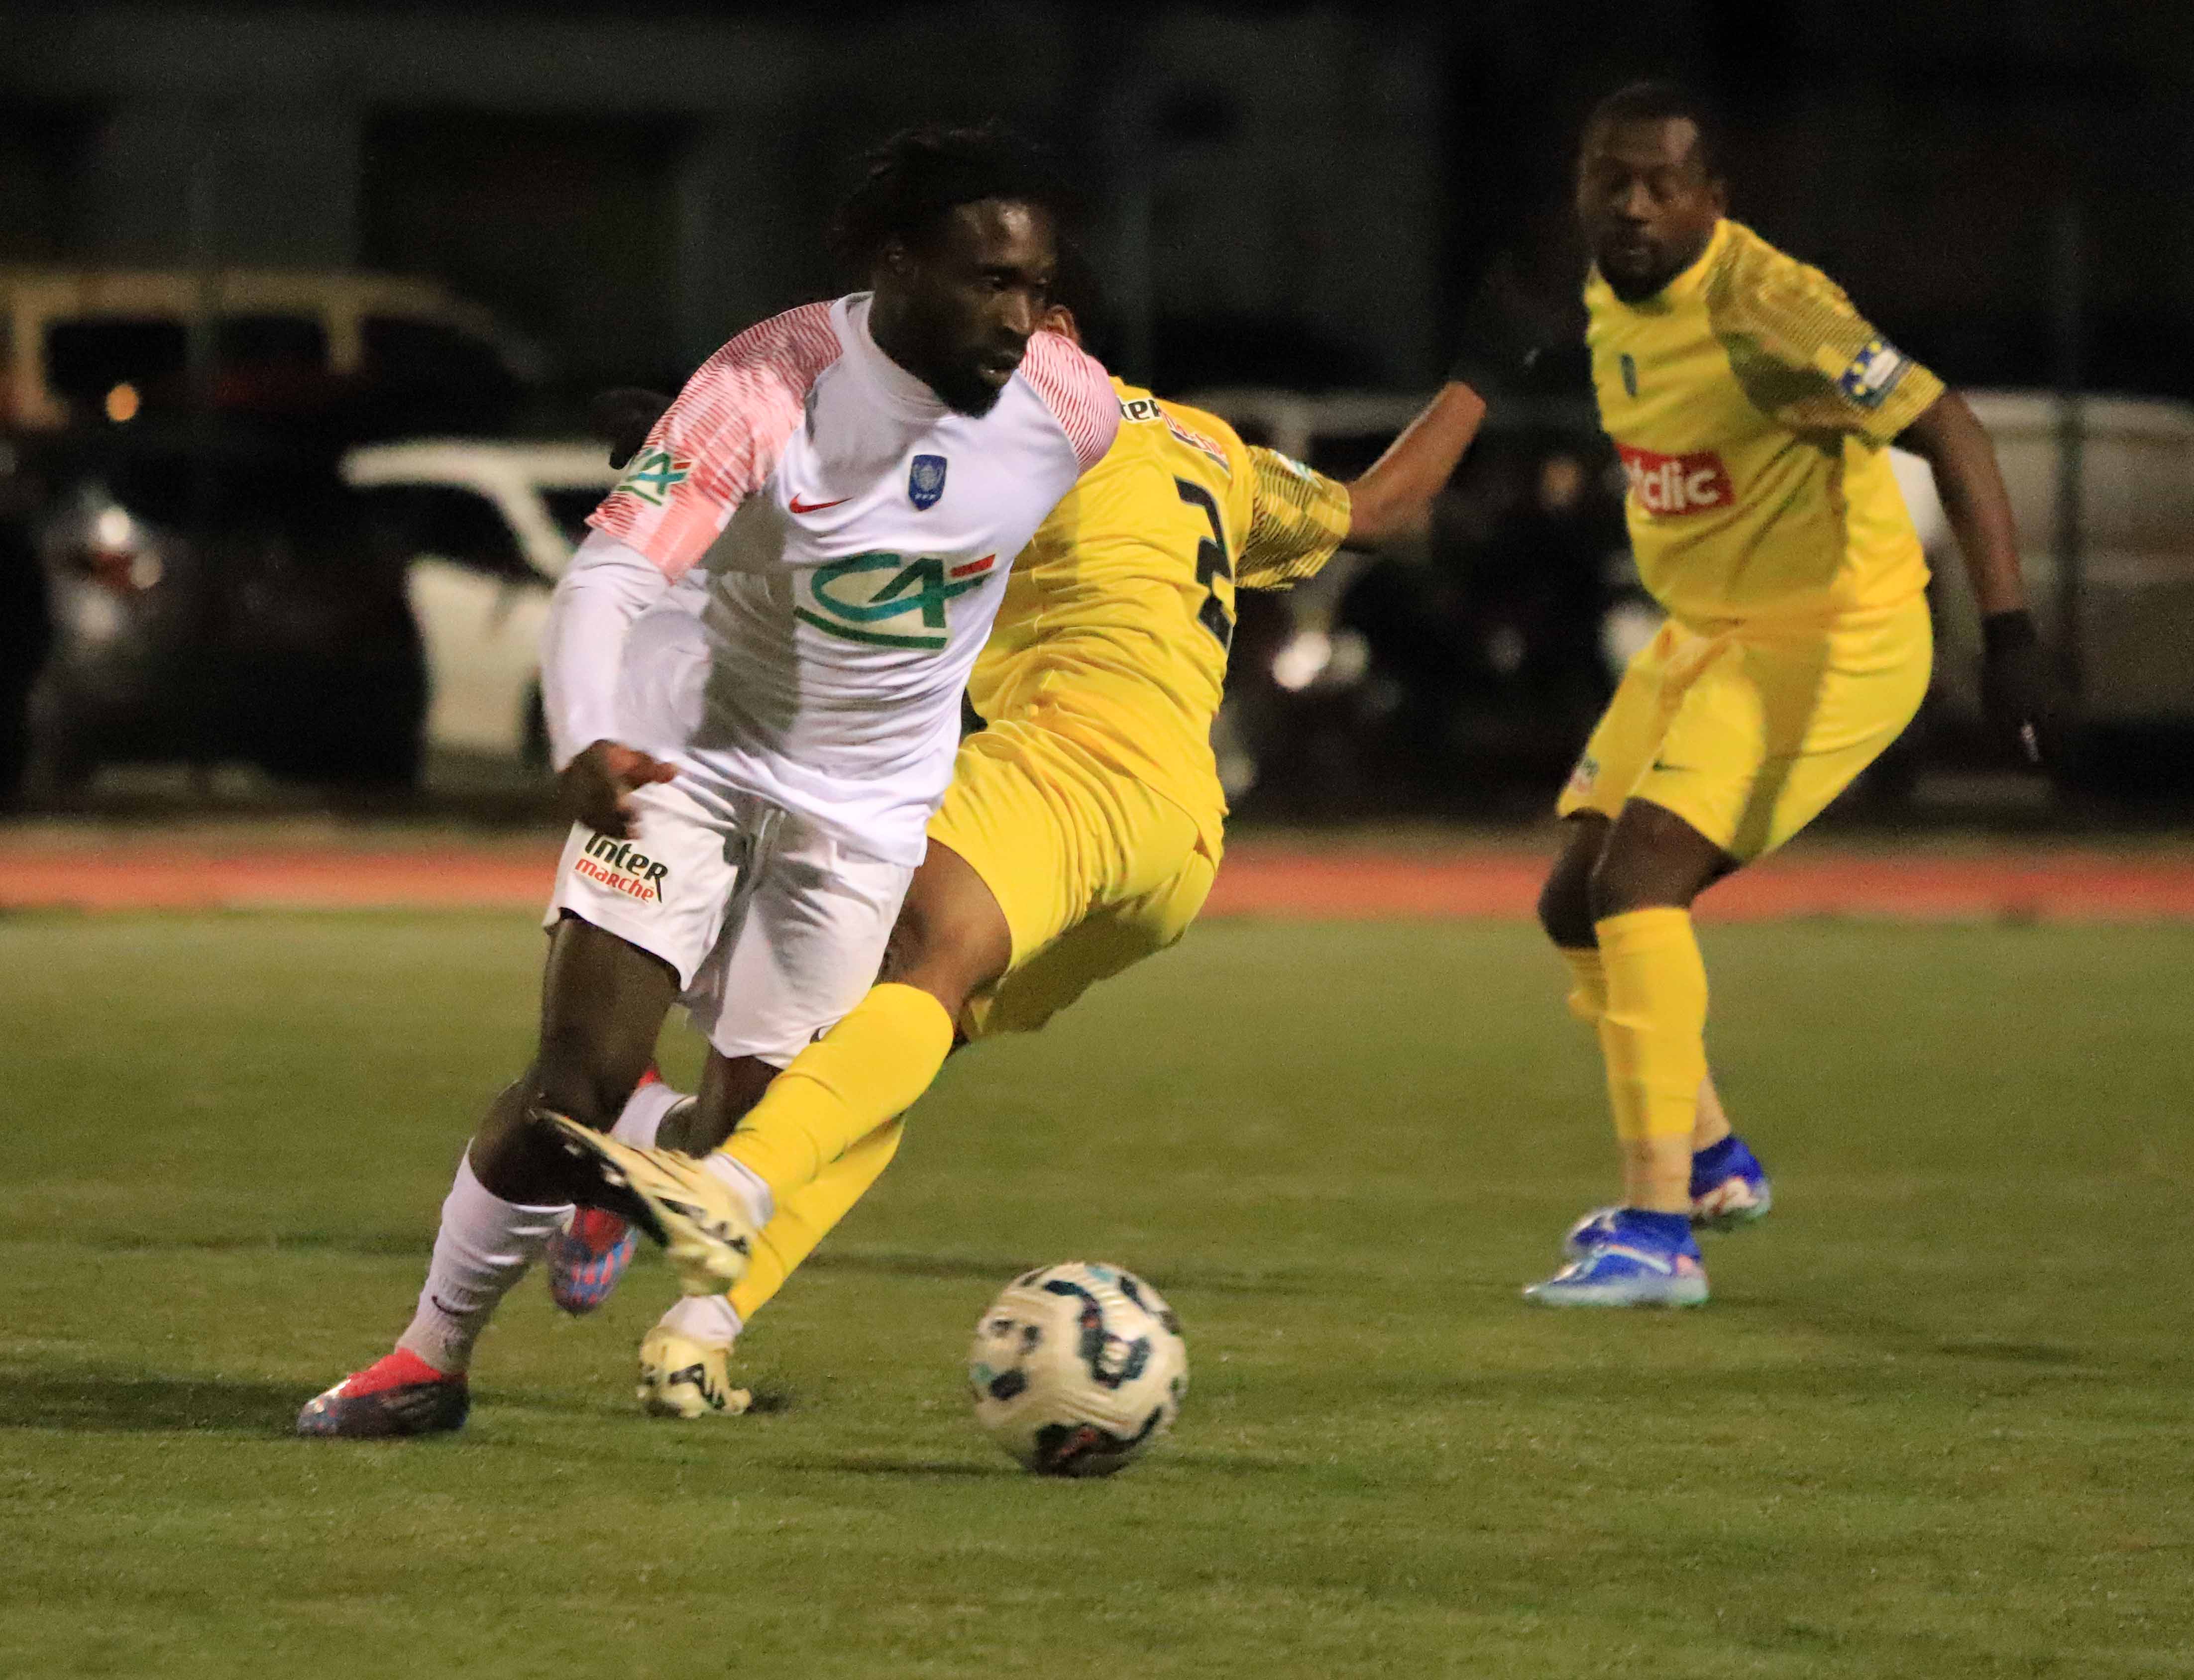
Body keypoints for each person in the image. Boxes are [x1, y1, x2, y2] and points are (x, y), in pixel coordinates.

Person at [298, 122, 1120, 1436]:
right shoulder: (772, 381)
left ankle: (628, 1176)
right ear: (899, 265)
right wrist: (584, 732)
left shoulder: (1072, 408)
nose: (1021, 317)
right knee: (575, 1081)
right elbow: (618, 571)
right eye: (987, 282)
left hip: (864, 813)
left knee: (750, 1144)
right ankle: (425, 1364)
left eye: (1036, 286)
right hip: (690, 758)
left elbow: (1193, 492)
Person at [549, 303, 1490, 1416]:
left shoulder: (1030, 426)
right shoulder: (1211, 448)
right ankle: (697, 1331)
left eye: (1002, 296)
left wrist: (684, 432)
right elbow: (1380, 509)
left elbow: (836, 490)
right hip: (1177, 843)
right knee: (887, 1049)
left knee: (899, 972)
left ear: (1056, 327)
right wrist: (1477, 375)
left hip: (1063, 764)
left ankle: (709, 1183)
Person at [1505, 83, 2051, 1306]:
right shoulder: (1599, 283)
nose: (1634, 205)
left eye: (1662, 183)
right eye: (1611, 180)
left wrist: (2007, 631)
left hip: (1833, 634)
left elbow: (1950, 428)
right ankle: (1705, 1157)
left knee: (1638, 881)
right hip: (1708, 631)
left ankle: (1656, 1234)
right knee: (1569, 902)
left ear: (1712, 200)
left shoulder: (1770, 307)